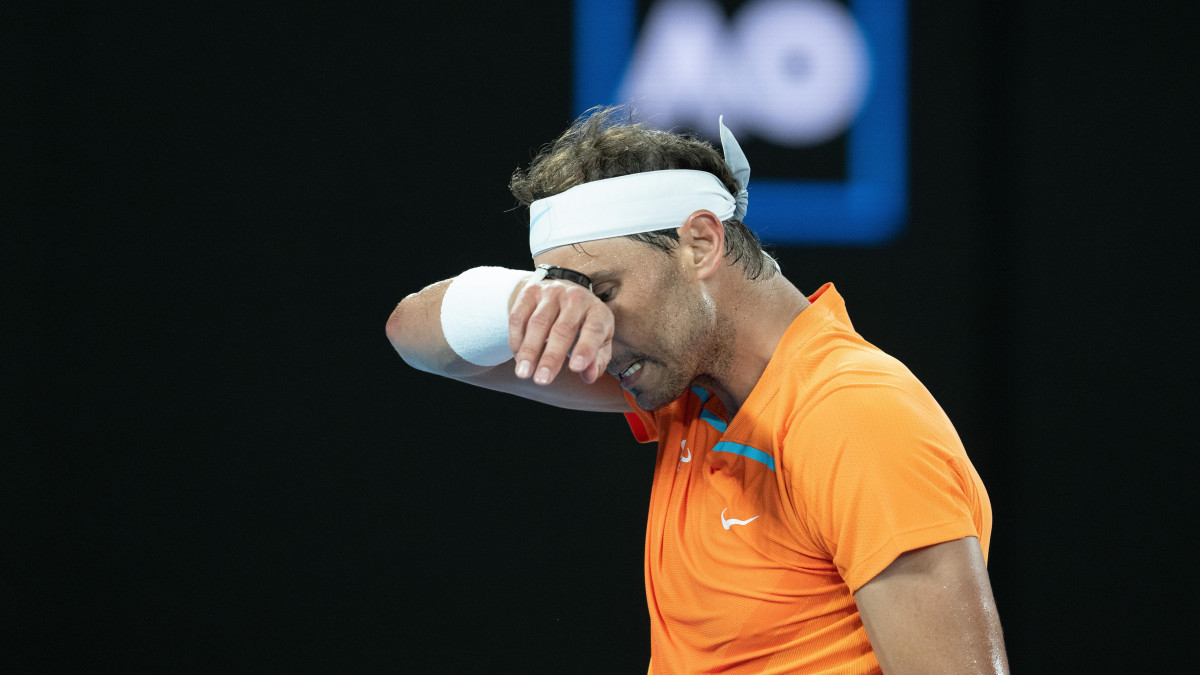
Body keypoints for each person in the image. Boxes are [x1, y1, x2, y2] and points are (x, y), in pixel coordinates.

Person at [386, 106, 1009, 674]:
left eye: (601, 293)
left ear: (701, 244)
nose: (590, 327)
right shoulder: (683, 381)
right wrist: (523, 301)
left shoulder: (856, 417)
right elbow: (414, 336)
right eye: (569, 302)